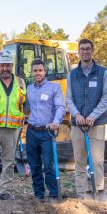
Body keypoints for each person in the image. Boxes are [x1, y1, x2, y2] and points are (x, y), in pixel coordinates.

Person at [66, 38, 107, 201]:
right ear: (78, 51)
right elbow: (69, 98)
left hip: (97, 123)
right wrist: (77, 115)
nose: (85, 51)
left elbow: (106, 97)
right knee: (79, 160)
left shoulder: (102, 72)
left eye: (88, 49)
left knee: (97, 160)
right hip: (78, 124)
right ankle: (82, 194)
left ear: (92, 51)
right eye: (82, 49)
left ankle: (99, 191)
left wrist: (93, 115)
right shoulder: (72, 74)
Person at [0, 50, 27, 201]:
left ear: (12, 65)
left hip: (12, 130)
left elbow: (24, 105)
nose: (5, 68)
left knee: (9, 162)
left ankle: (5, 190)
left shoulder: (21, 83)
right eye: (2, 65)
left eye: (8, 65)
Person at [25, 59, 65, 201]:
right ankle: (39, 194)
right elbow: (26, 108)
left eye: (40, 70)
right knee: (34, 165)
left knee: (48, 164)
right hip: (31, 131)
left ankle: (54, 193)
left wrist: (56, 122)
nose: (38, 73)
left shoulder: (54, 88)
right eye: (35, 71)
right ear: (32, 72)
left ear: (45, 71)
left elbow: (60, 107)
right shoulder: (29, 88)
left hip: (47, 131)